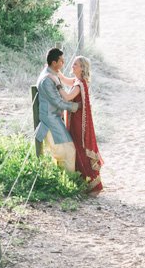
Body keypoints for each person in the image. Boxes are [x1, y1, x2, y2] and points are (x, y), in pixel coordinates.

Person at [62, 55, 104, 194]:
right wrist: (56, 74)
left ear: (82, 68)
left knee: (80, 148)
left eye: (75, 64)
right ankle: (87, 183)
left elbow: (68, 97)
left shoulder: (79, 84)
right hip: (77, 119)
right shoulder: (78, 80)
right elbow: (67, 81)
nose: (72, 66)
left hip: (79, 122)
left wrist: (56, 86)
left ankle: (92, 184)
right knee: (78, 148)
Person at [35, 48, 79, 172]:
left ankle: (65, 179)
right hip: (50, 119)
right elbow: (58, 102)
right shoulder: (47, 80)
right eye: (61, 61)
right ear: (54, 63)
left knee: (66, 151)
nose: (63, 63)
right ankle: (70, 182)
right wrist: (76, 107)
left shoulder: (51, 73)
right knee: (68, 151)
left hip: (54, 117)